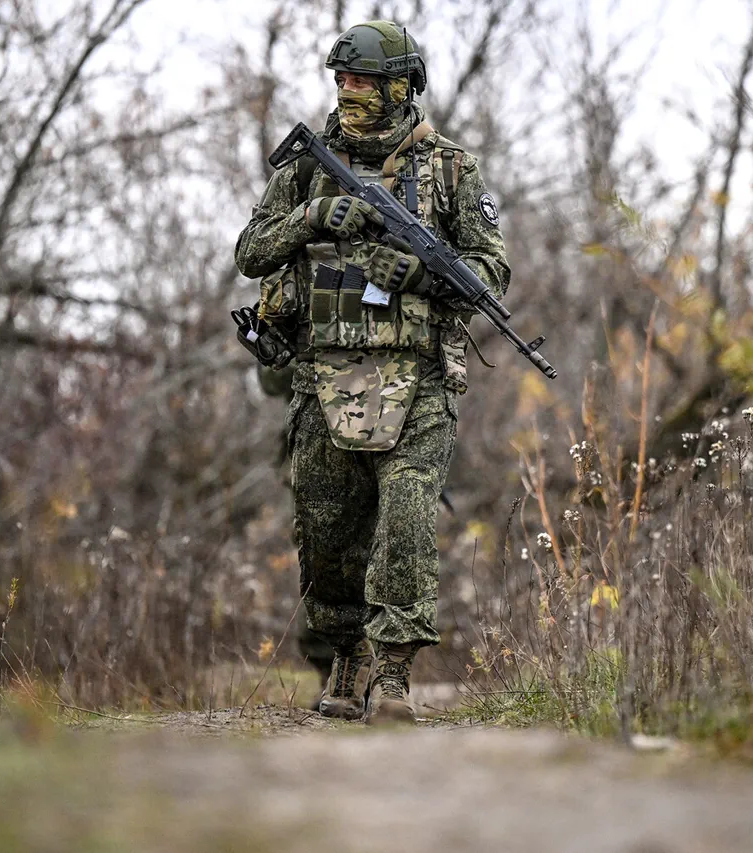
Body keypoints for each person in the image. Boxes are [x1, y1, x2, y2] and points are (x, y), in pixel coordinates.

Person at [234, 20, 510, 724]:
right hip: (320, 376)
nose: (349, 91)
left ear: (400, 87)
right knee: (327, 536)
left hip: (418, 378)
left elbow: (490, 269)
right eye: (342, 80)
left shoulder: (450, 168)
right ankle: (347, 653)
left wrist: (420, 272)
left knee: (407, 523)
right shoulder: (306, 167)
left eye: (363, 80)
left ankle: (391, 675)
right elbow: (251, 251)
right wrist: (314, 216)